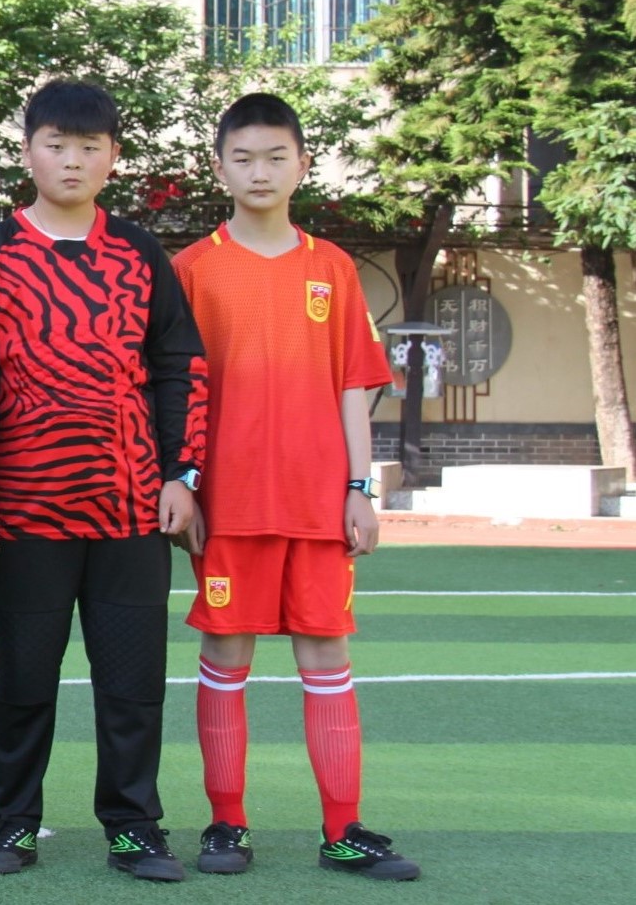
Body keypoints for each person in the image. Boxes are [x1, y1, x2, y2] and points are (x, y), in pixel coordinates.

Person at [0, 79, 209, 883]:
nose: (72, 160)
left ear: (113, 158)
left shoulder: (139, 253)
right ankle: (12, 822)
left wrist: (181, 473)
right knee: (23, 681)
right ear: (27, 152)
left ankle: (134, 826)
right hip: (24, 508)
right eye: (56, 145)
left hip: (130, 508)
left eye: (88, 147)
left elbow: (179, 366)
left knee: (132, 683)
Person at [173, 94, 418, 881]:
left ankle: (343, 830)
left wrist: (360, 488)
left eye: (276, 157)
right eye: (243, 158)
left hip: (317, 501)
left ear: (303, 165)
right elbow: (176, 391)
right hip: (229, 503)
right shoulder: (192, 269)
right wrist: (185, 483)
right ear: (219, 168)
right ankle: (226, 824)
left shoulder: (332, 268)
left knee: (326, 653)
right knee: (225, 652)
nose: (260, 172)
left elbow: (353, 388)